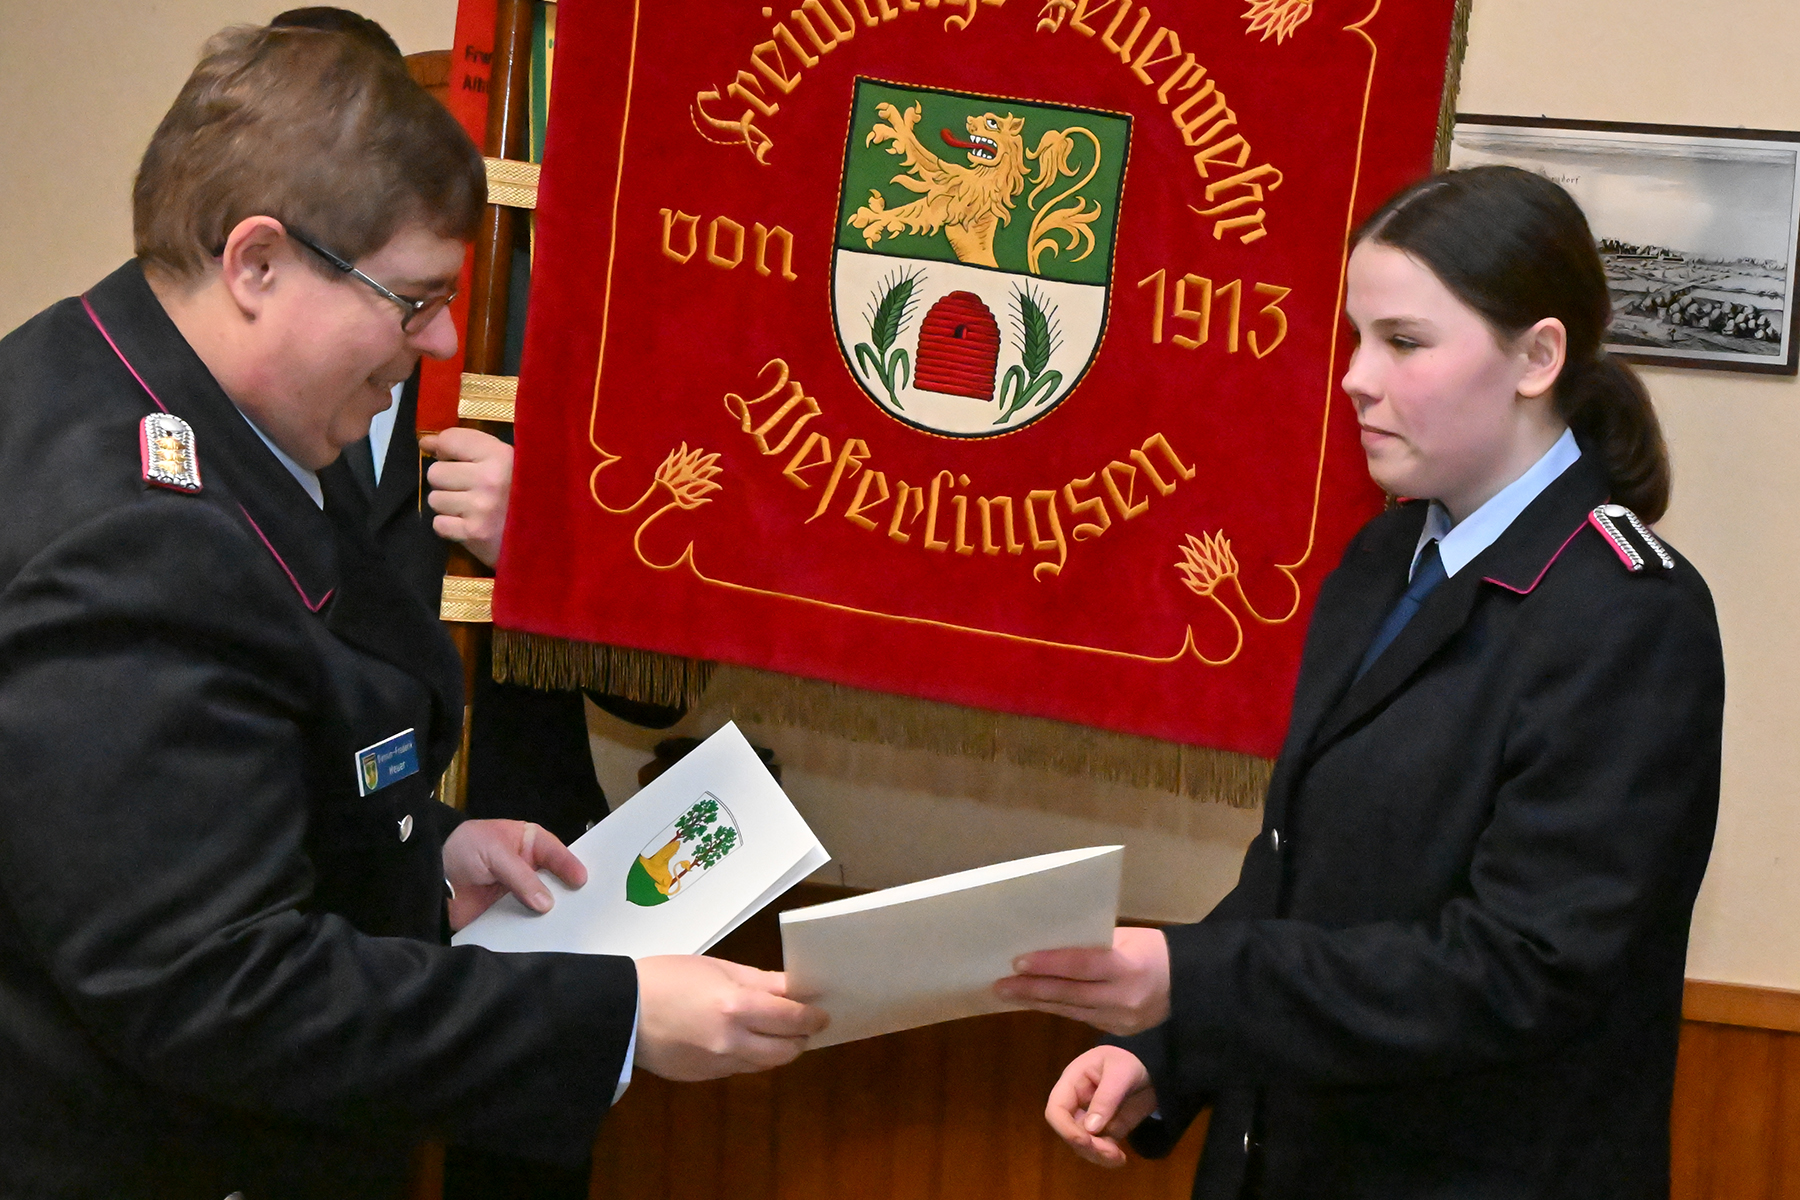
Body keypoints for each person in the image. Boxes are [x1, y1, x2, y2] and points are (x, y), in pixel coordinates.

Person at [0, 24, 822, 1199]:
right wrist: (620, 1016)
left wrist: (424, 853)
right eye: (414, 298)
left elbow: (186, 800)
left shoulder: (135, 384)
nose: (440, 340)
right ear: (256, 264)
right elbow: (216, 987)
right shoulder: (133, 536)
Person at [996, 166, 1724, 1199]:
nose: (1355, 378)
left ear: (1537, 358)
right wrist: (1168, 1047)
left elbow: (1522, 969)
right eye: (1357, 336)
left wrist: (1190, 981)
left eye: (1405, 342)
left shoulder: (1627, 613)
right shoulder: (1382, 562)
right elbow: (1299, 877)